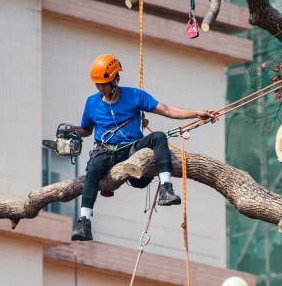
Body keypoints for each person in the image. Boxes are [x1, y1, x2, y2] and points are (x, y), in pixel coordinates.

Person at [70, 54, 215, 241]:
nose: (101, 88)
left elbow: (168, 110)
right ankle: (84, 222)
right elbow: (87, 130)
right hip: (105, 150)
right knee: (94, 169)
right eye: (97, 84)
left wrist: (197, 113)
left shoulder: (135, 96)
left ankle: (166, 188)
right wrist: (72, 130)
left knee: (159, 136)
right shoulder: (92, 102)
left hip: (132, 148)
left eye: (104, 83)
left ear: (116, 79)